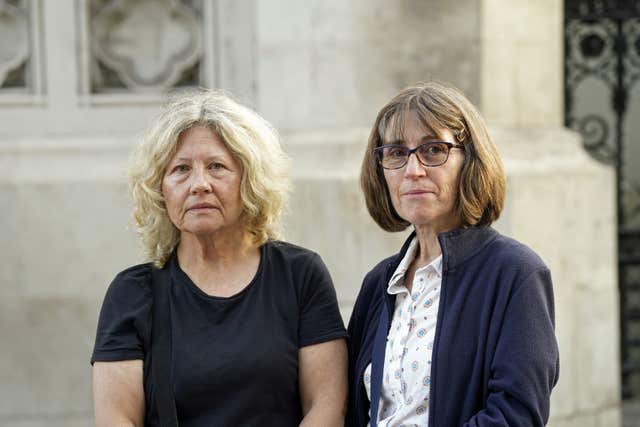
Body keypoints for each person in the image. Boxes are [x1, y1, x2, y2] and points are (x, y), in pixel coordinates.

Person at [91, 89, 348, 426]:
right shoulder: (133, 294)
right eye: (181, 169)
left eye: (217, 167)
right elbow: (117, 419)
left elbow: (326, 406)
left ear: (250, 181)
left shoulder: (300, 275)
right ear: (160, 189)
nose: (200, 184)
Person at [347, 81, 559, 427]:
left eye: (433, 150)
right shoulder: (379, 283)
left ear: (470, 161)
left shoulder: (515, 273)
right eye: (397, 153)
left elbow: (516, 415)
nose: (413, 170)